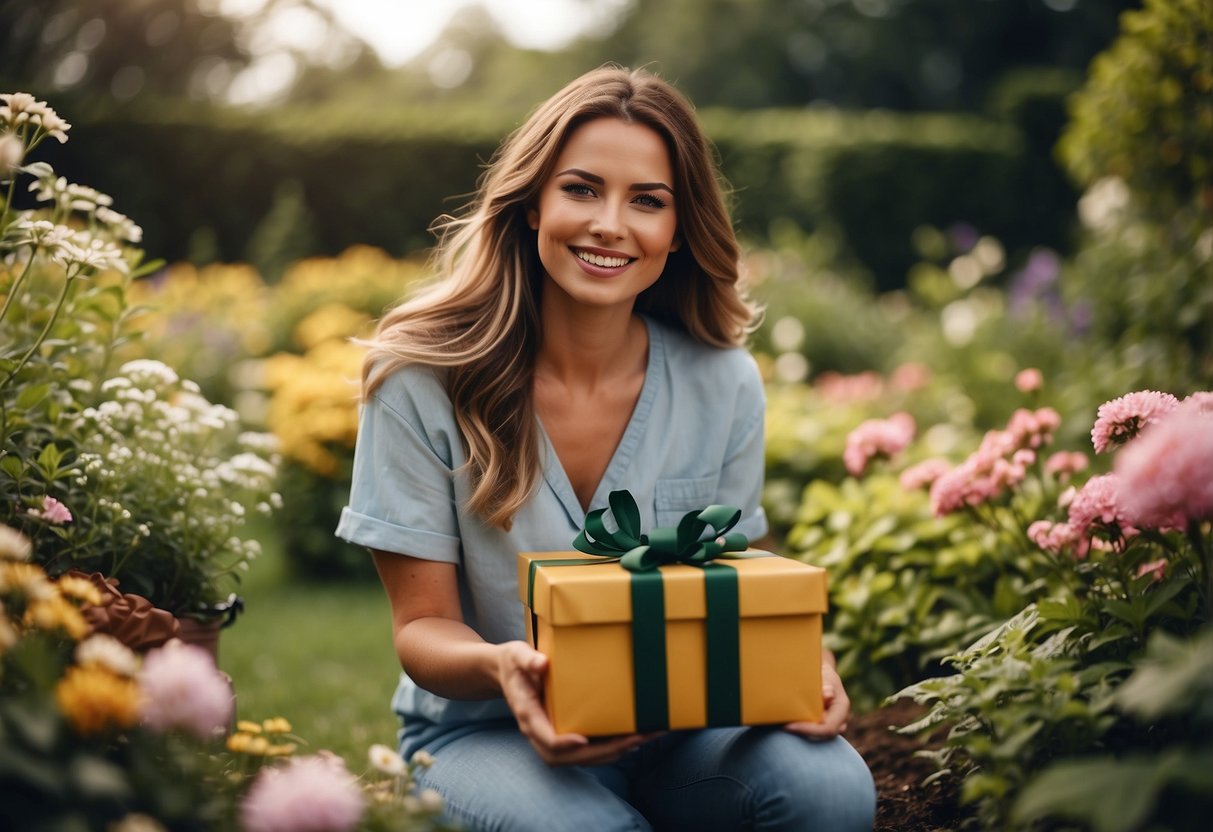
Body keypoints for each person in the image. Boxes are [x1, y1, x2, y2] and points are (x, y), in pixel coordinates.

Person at [336, 65, 876, 831]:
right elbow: (422, 629)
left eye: (647, 201)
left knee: (832, 789)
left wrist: (796, 663)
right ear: (532, 203)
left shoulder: (723, 382)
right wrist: (506, 670)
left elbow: (733, 582)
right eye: (581, 189)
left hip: (685, 733)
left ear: (678, 228)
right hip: (488, 734)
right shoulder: (420, 380)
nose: (609, 225)